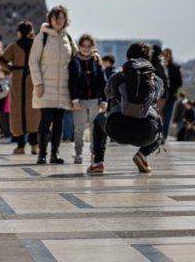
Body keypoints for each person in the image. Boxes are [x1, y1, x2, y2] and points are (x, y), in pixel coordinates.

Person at [87, 42, 163, 175]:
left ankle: (97, 162)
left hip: (118, 129)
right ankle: (143, 154)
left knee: (98, 119)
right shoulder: (156, 80)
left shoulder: (117, 76)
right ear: (148, 60)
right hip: (146, 133)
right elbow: (157, 97)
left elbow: (108, 93)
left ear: (128, 58)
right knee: (159, 124)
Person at [30, 5, 77, 165]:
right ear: (50, 19)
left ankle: (54, 153)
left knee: (59, 122)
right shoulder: (41, 37)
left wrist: (95, 55)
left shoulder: (68, 39)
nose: (58, 20)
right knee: (46, 119)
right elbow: (33, 60)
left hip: (63, 87)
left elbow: (77, 58)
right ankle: (42, 154)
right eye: (55, 17)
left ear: (65, 20)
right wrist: (38, 83)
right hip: (45, 86)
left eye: (61, 17)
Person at [0, 21, 40, 155]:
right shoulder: (36, 45)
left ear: (18, 32)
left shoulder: (14, 46)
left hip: (17, 78)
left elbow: (2, 60)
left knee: (17, 111)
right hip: (33, 77)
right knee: (34, 111)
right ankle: (35, 145)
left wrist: (10, 69)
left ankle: (20, 146)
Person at [68, 34, 107, 164]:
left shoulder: (97, 61)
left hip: (95, 99)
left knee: (94, 128)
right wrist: (74, 100)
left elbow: (103, 81)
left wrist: (104, 99)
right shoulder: (74, 61)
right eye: (83, 46)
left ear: (93, 47)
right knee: (79, 128)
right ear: (79, 47)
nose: (85, 48)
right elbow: (71, 82)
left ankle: (94, 153)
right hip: (80, 100)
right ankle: (78, 153)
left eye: (89, 46)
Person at [161, 48, 182, 139]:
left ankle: (163, 136)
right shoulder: (159, 67)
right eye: (164, 55)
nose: (165, 57)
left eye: (167, 55)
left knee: (167, 118)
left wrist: (172, 90)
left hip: (170, 97)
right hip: (160, 96)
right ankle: (158, 136)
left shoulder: (175, 68)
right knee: (159, 117)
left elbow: (179, 82)